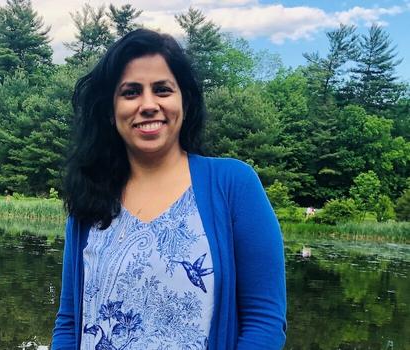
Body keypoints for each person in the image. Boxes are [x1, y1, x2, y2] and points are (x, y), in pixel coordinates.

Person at [51, 29, 286, 350]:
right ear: (110, 110)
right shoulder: (92, 195)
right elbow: (68, 323)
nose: (148, 104)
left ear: (184, 101)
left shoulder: (233, 185)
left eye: (162, 89)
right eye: (131, 92)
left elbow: (265, 321)